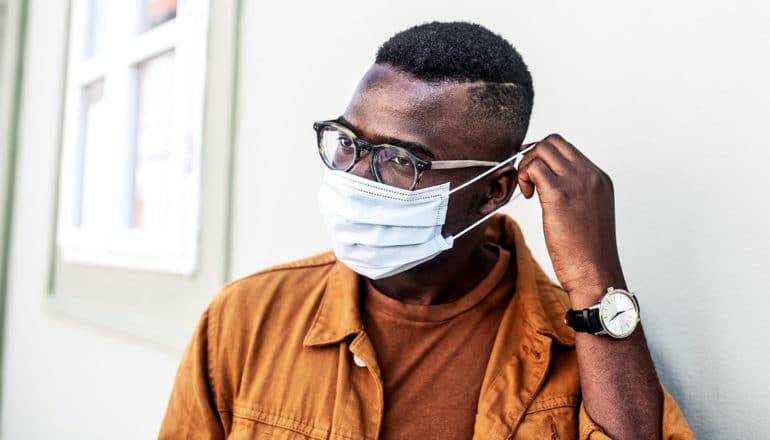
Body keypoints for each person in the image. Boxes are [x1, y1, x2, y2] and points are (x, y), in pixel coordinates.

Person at [160, 22, 693, 439]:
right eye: (348, 141)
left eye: (399, 160)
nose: (356, 176)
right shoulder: (246, 318)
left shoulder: (576, 344)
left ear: (493, 189)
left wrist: (595, 279)